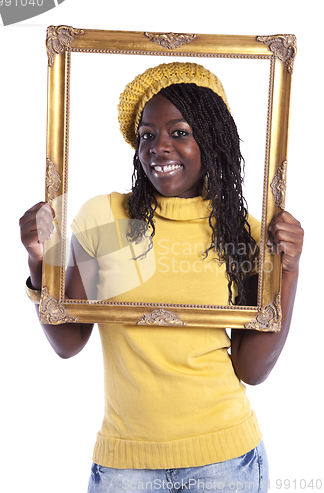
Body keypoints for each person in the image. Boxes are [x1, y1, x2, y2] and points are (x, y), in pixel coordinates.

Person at [20, 62, 303, 492]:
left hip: (225, 462)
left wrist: (289, 267)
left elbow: (252, 368)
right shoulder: (107, 217)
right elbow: (68, 341)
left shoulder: (241, 231)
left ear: (211, 140)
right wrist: (40, 261)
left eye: (179, 132)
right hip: (125, 467)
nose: (159, 147)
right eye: (147, 136)